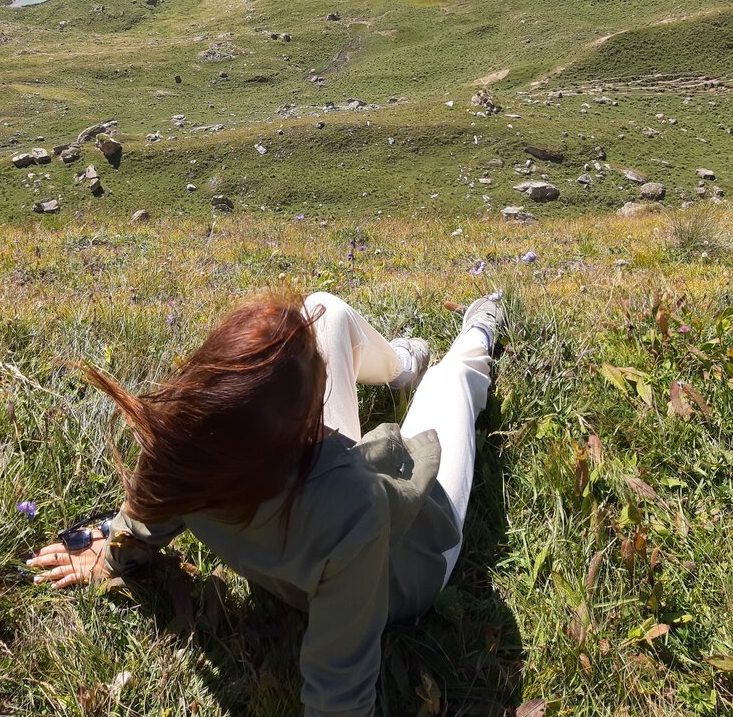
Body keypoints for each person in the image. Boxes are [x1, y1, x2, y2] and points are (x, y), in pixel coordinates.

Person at [28, 290, 504, 717]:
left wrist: (112, 551)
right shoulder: (352, 510)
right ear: (308, 422)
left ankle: (402, 363)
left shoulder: (194, 446)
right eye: (319, 380)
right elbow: (339, 692)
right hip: (407, 563)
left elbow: (149, 514)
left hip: (299, 487)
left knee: (328, 311)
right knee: (449, 381)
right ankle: (480, 329)